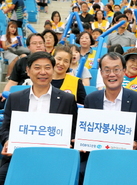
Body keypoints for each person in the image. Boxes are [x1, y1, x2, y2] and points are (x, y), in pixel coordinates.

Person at [0, 52, 78, 184]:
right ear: (28, 71)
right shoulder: (15, 98)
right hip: (19, 157)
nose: (43, 72)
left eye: (47, 68)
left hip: (54, 159)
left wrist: (69, 141)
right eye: (37, 68)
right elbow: (4, 129)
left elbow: (73, 130)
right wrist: (7, 141)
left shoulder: (67, 99)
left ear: (53, 71)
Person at [80, 52, 137, 184]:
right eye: (107, 70)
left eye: (116, 69)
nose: (112, 74)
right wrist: (82, 141)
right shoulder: (91, 99)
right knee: (81, 171)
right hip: (97, 157)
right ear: (100, 72)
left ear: (123, 71)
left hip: (127, 157)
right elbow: (84, 131)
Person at [0, 33, 46, 102]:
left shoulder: (51, 62)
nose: (38, 45)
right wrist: (4, 93)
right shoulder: (22, 62)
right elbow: (13, 81)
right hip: (21, 95)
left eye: (41, 43)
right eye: (34, 43)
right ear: (28, 47)